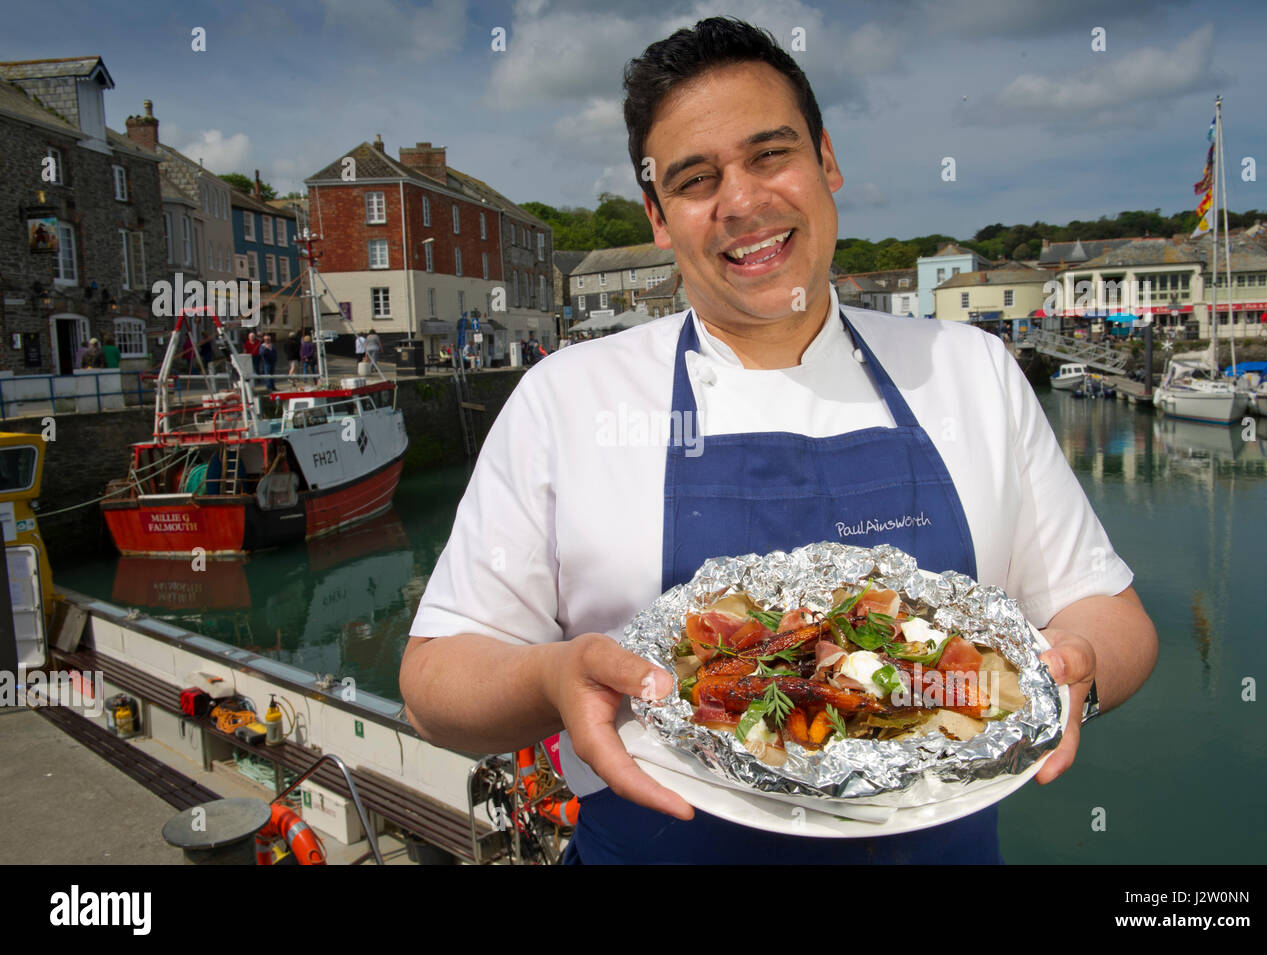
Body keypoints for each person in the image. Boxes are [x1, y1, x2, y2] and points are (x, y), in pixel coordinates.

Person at [401, 17, 1157, 865]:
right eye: (695, 178)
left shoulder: (969, 369)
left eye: (771, 155)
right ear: (658, 217)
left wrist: (1074, 678)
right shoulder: (567, 398)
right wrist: (547, 679)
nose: (743, 201)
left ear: (826, 160)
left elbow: (1113, 616)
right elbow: (434, 686)